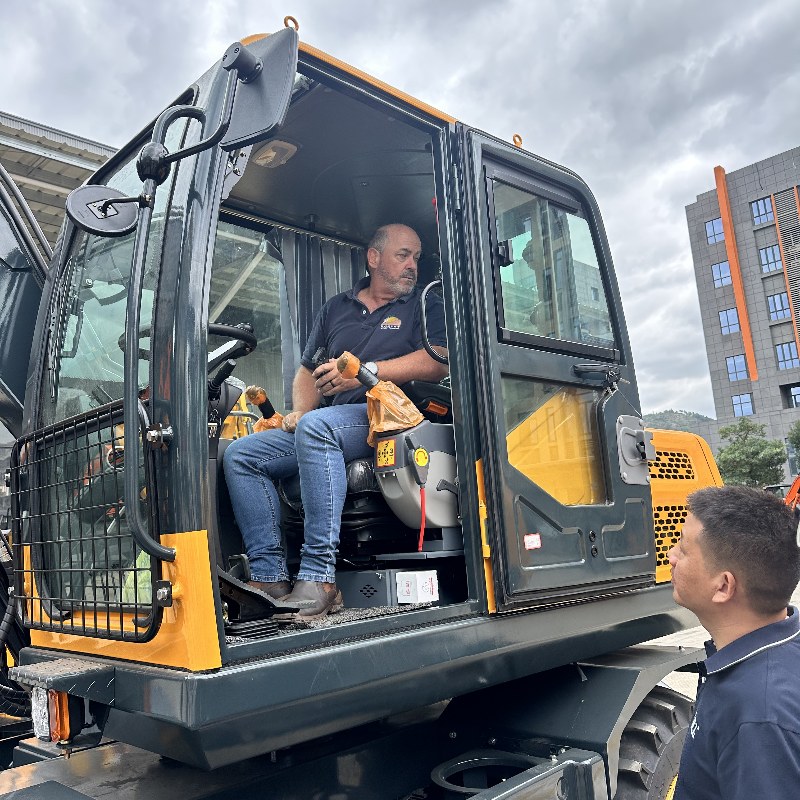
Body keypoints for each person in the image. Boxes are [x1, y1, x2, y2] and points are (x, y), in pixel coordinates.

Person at [223, 224, 448, 619]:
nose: (413, 265)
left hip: (394, 420)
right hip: (335, 422)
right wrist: (301, 412)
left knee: (319, 427)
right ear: (374, 257)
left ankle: (319, 577)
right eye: (403, 255)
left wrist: (367, 371)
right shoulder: (336, 308)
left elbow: (437, 360)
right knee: (242, 454)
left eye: (416, 257)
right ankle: (269, 576)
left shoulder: (425, 305)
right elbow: (307, 372)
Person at [668, 485, 800, 799]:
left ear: (724, 586)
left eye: (683, 549)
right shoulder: (770, 654)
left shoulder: (759, 718)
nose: (671, 555)